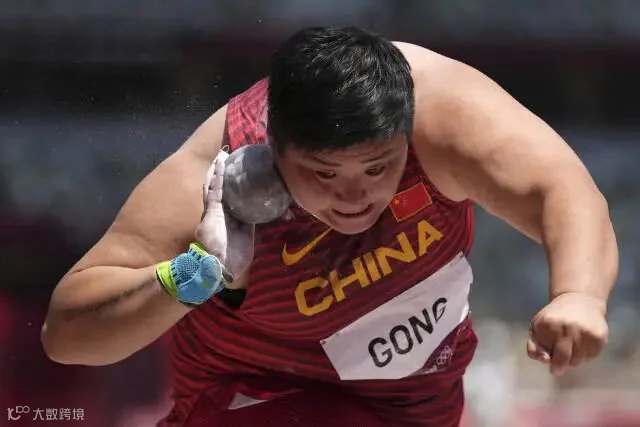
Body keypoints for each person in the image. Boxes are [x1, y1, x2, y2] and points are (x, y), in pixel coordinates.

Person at [41, 26, 618, 426]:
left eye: (378, 167)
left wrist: (579, 295)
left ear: (407, 135)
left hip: (413, 410)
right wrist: (192, 275)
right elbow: (66, 335)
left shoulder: (445, 114)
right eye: (323, 173)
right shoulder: (212, 172)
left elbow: (562, 188)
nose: (354, 196)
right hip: (255, 403)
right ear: (274, 146)